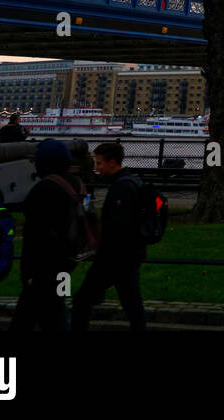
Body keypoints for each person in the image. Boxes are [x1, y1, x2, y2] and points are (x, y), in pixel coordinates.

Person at [11, 139, 85, 331]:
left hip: (44, 268)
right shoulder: (75, 183)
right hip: (67, 262)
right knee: (57, 308)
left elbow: (35, 235)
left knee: (25, 319)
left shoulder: (44, 189)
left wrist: (27, 273)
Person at [72, 142, 146, 331]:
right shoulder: (131, 182)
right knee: (133, 306)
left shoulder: (121, 188)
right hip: (129, 256)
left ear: (112, 163)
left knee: (82, 301)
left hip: (114, 258)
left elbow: (118, 227)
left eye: (99, 163)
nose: (96, 168)